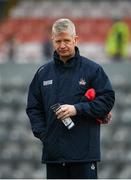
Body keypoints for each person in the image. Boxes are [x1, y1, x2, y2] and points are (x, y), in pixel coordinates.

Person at [26, 18, 115, 179]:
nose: (62, 45)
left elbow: (107, 100)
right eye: (58, 41)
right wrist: (44, 136)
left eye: (66, 40)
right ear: (52, 40)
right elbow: (33, 108)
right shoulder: (42, 73)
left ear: (75, 39)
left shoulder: (93, 70)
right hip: (54, 155)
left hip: (84, 155)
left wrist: (76, 109)